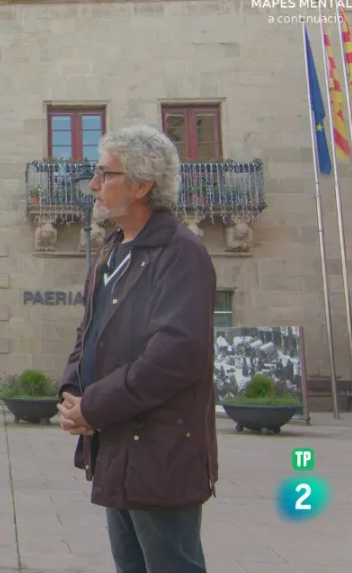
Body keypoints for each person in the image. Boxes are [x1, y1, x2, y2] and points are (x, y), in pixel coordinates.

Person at [56, 125, 219, 573]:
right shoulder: (112, 251)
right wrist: (72, 392)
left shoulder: (180, 253)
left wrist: (96, 406)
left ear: (142, 185)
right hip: (116, 444)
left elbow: (176, 355)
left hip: (161, 453)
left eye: (104, 174)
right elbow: (88, 331)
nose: (93, 185)